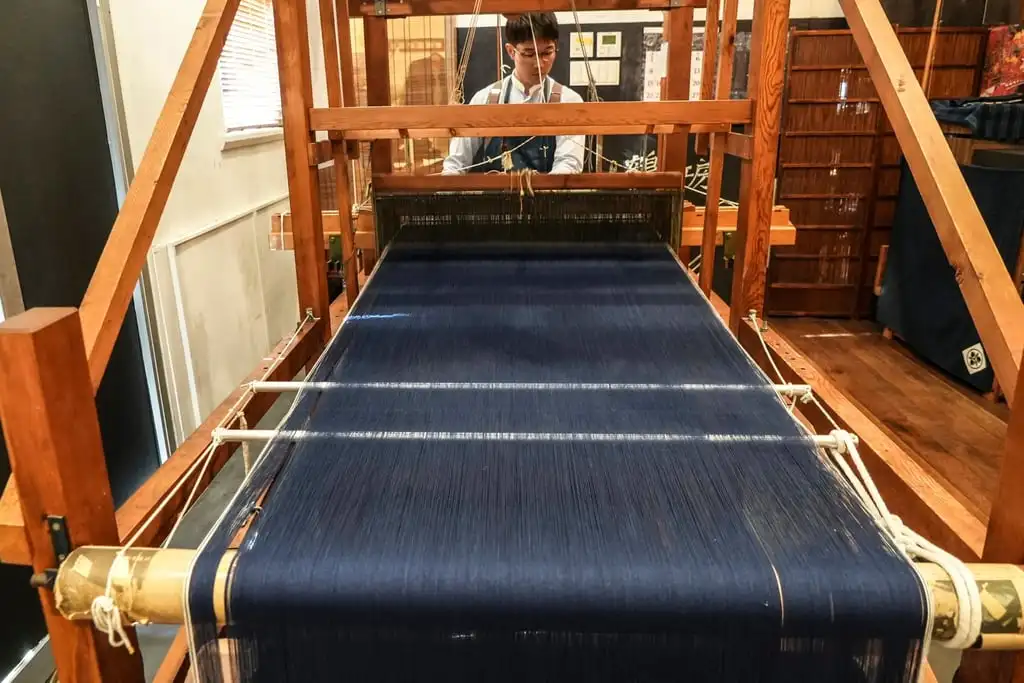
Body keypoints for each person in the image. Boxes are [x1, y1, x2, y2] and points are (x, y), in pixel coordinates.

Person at [442, 13, 584, 175]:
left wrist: (542, 194)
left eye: (547, 53)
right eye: (529, 54)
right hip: (494, 198)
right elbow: (456, 163)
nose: (539, 63)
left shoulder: (569, 101)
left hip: (550, 198)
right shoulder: (485, 100)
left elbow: (569, 164)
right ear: (511, 51)